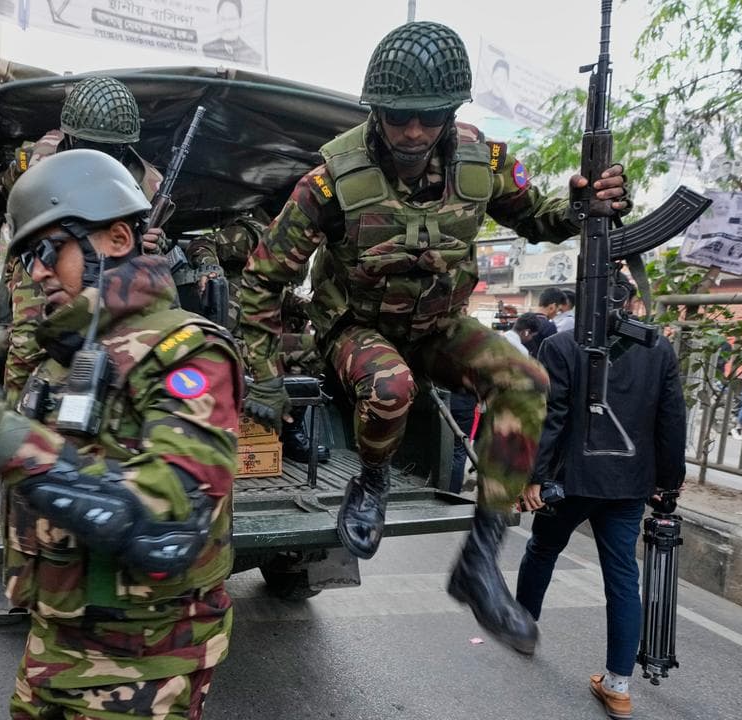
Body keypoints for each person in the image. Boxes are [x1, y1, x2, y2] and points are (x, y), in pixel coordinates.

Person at [237, 21, 628, 654]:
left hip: (440, 326)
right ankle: (370, 480)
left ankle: (481, 557)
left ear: (450, 114)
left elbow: (541, 219)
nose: (413, 132)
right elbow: (261, 280)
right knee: (390, 387)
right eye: (398, 118)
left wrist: (586, 202)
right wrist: (262, 377)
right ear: (376, 112)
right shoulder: (330, 183)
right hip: (356, 327)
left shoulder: (486, 163)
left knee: (526, 381)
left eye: (429, 118)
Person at [0, 149, 239, 720]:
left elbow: (171, 529)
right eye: (27, 256)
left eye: (50, 250)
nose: (37, 271)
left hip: (145, 664)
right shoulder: (71, 351)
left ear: (118, 240)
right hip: (56, 642)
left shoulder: (187, 352)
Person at [514, 274, 686, 720]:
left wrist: (534, 477)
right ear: (631, 303)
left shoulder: (561, 346)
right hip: (631, 482)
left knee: (543, 548)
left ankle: (523, 626)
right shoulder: (659, 347)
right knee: (622, 577)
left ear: (582, 299)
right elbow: (671, 419)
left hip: (573, 480)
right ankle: (618, 686)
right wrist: (668, 481)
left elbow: (551, 417)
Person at [0, 76, 168, 407]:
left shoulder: (147, 180)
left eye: (108, 151)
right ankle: (18, 413)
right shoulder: (37, 157)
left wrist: (152, 242)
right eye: (89, 147)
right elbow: (10, 199)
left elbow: (148, 239)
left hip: (107, 268)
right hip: (42, 257)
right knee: (29, 338)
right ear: (70, 137)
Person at [185, 212, 329, 463]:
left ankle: (290, 431)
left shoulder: (299, 246)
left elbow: (276, 292)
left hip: (258, 344)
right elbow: (201, 244)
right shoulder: (254, 234)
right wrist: (210, 268)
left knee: (320, 347)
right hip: (225, 344)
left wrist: (312, 308)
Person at [202, 0, 262, 65]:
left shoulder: (254, 57)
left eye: (232, 19)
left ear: (240, 21)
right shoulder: (207, 49)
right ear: (217, 19)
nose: (227, 24)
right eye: (222, 18)